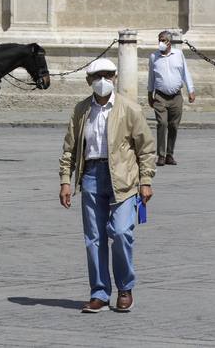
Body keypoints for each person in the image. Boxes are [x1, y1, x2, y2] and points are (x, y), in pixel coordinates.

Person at [59, 58, 156, 314]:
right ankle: (100, 293)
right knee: (94, 238)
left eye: (108, 75)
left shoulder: (129, 109)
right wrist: (65, 182)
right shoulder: (81, 110)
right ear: (90, 81)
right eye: (98, 76)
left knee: (122, 232)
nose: (103, 80)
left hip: (123, 179)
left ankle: (125, 288)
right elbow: (69, 149)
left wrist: (145, 181)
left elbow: (146, 148)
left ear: (114, 78)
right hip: (91, 175)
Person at [147, 30, 195, 166]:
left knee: (173, 125)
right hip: (160, 96)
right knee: (162, 124)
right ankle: (161, 155)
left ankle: (170, 154)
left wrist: (191, 90)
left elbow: (185, 73)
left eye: (163, 40)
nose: (160, 42)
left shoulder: (178, 54)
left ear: (169, 42)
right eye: (159, 40)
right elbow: (151, 77)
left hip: (176, 96)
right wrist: (149, 94)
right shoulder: (153, 57)